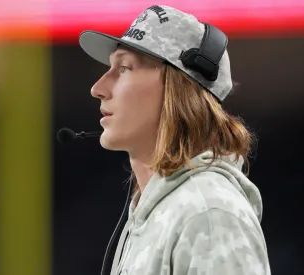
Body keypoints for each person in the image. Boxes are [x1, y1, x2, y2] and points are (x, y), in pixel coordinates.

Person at [78, 5, 271, 275]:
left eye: (123, 68)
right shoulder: (160, 212)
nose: (97, 89)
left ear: (175, 88)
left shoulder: (208, 213)